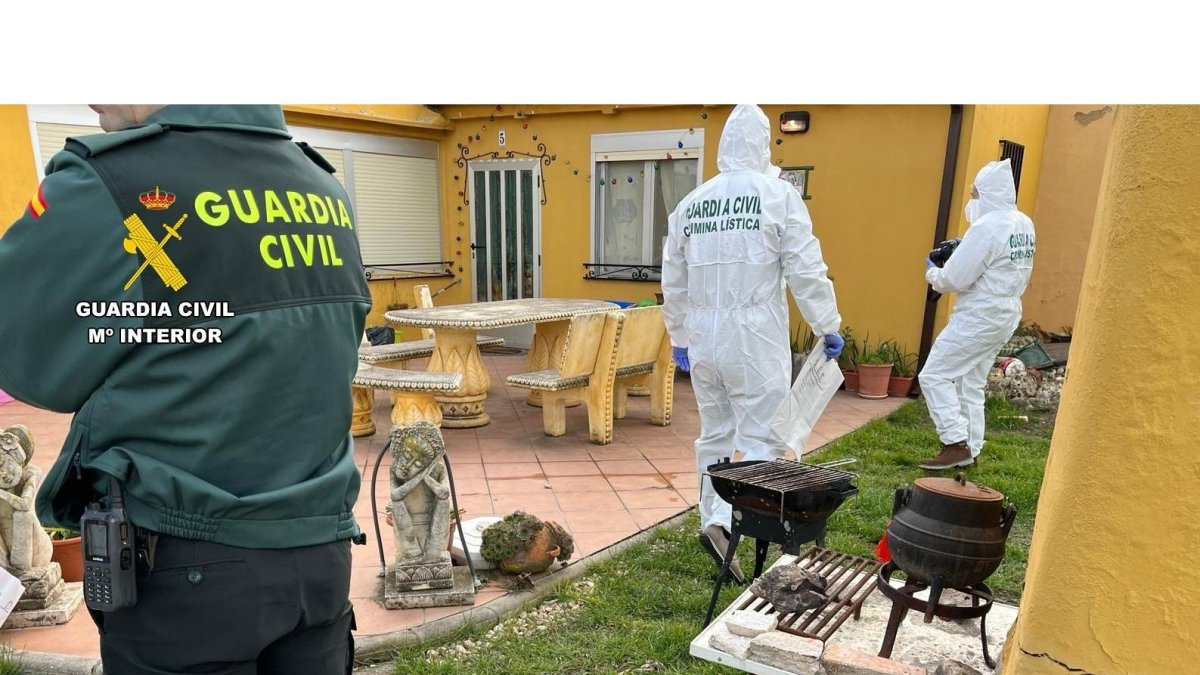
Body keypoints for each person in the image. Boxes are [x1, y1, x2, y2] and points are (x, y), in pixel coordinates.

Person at [0, 105, 371, 673]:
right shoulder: (322, 187)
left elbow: (29, 364)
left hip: (183, 561)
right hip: (318, 549)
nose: (94, 96)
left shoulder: (110, 183)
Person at [661, 104, 843, 582]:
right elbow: (805, 268)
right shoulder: (779, 196)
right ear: (764, 145)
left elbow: (673, 278)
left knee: (714, 432)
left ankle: (714, 519)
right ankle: (753, 526)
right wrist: (827, 324)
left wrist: (679, 335)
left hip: (703, 338)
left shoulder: (692, 203)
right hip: (754, 336)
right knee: (762, 435)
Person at [918, 159, 1036, 470]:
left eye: (974, 194)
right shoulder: (1023, 222)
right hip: (1006, 310)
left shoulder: (987, 227)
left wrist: (933, 274)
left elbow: (954, 279)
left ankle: (954, 441)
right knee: (970, 381)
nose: (972, 201)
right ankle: (970, 448)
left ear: (986, 194)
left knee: (934, 374)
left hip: (980, 314)